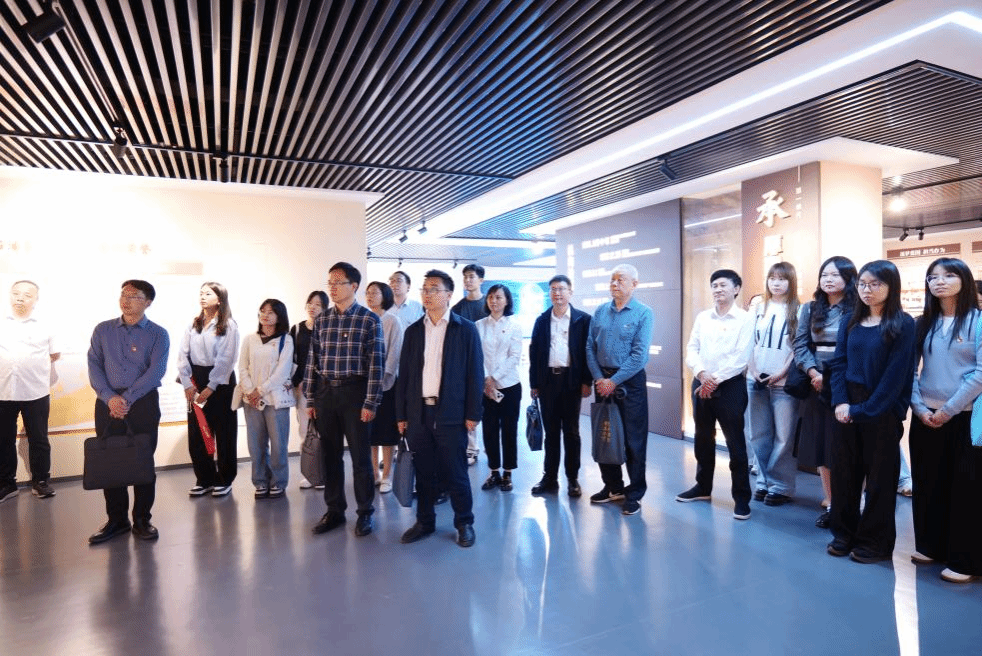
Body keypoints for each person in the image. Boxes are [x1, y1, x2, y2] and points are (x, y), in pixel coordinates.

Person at [827, 260, 916, 564]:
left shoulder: (903, 323)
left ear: (891, 286)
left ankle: (875, 542)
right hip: (847, 405)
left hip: (881, 408)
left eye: (875, 284)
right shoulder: (850, 320)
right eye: (863, 284)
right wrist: (841, 402)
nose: (867, 290)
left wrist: (863, 409)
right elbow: (839, 363)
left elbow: (896, 376)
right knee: (844, 474)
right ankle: (843, 534)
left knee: (880, 479)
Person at [396, 269, 483, 547]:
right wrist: (401, 414)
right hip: (419, 413)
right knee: (424, 472)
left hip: (451, 413)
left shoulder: (465, 329)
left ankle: (464, 522)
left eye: (434, 289)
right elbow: (404, 375)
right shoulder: (413, 331)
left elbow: (475, 374)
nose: (427, 294)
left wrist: (473, 413)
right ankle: (425, 521)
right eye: (424, 289)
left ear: (448, 295)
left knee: (456, 472)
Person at [909, 257, 982, 583]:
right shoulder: (922, 323)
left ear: (964, 280)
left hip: (966, 417)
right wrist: (919, 408)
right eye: (933, 277)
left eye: (948, 275)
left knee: (966, 489)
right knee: (928, 483)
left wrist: (948, 410)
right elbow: (909, 371)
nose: (939, 281)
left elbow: (981, 373)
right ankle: (930, 545)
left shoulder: (978, 321)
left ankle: (964, 560)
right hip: (925, 415)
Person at [86, 280, 170, 543]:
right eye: (124, 294)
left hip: (142, 402)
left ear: (148, 302)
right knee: (111, 460)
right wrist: (110, 398)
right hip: (107, 402)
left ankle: (143, 519)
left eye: (134, 296)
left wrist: (127, 398)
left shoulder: (158, 334)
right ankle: (117, 520)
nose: (126, 299)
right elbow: (94, 365)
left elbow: (156, 371)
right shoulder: (103, 330)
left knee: (142, 459)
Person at [306, 262, 382, 538]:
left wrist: (370, 402)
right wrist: (310, 398)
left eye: (338, 282)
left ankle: (365, 512)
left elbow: (376, 364)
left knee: (361, 458)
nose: (333, 288)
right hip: (326, 393)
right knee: (331, 456)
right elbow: (313, 359)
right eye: (330, 283)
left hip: (355, 393)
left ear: (354, 286)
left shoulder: (368, 320)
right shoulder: (322, 320)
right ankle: (335, 510)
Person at [677, 269, 754, 520]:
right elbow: (692, 348)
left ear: (736, 289)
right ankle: (702, 487)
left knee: (735, 443)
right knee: (702, 438)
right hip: (701, 383)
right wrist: (702, 373)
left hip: (730, 387)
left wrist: (714, 380)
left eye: (723, 285)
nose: (717, 289)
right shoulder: (703, 317)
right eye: (714, 285)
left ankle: (741, 498)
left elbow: (741, 357)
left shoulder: (745, 319)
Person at [793, 256, 857, 529]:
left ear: (848, 278)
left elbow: (857, 348)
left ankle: (851, 502)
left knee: (846, 446)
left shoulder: (858, 307)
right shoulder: (810, 308)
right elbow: (800, 344)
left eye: (835, 275)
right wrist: (813, 373)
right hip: (816, 386)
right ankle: (831, 502)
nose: (828, 280)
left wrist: (831, 378)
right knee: (822, 446)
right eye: (824, 275)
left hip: (847, 386)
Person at [585, 264, 653, 516]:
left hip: (629, 383)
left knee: (634, 440)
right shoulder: (601, 311)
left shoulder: (644, 313)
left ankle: (634, 493)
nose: (614, 284)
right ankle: (613, 486)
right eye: (612, 279)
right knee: (606, 435)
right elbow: (589, 347)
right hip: (602, 381)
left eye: (620, 280)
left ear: (634, 284)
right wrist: (599, 378)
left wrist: (613, 381)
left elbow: (639, 355)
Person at [528, 275, 592, 497]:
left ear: (570, 292)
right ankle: (550, 478)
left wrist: (587, 381)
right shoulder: (542, 320)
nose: (557, 293)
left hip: (571, 381)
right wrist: (534, 383)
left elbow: (588, 353)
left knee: (571, 432)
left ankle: (573, 478)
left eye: (561, 289)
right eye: (553, 289)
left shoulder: (583, 320)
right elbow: (534, 353)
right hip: (548, 382)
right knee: (551, 433)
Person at [747, 262, 801, 506]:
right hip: (755, 380)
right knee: (759, 434)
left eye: (782, 279)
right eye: (772, 278)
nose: (776, 283)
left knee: (784, 437)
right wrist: (753, 370)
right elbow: (747, 342)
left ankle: (781, 486)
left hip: (784, 383)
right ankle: (763, 482)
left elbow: (798, 346)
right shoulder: (758, 308)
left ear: (791, 282)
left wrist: (781, 372)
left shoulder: (799, 309)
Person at [178, 282, 240, 498]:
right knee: (198, 434)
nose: (203, 297)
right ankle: (204, 479)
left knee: (224, 433)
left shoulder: (228, 325)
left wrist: (211, 386)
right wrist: (187, 383)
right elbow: (182, 355)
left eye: (208, 293)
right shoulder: (193, 324)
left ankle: (224, 479)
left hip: (221, 383)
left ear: (220, 299)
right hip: (196, 380)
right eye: (201, 293)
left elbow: (227, 359)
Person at [0, 280, 59, 502]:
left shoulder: (46, 324)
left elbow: (55, 354)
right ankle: (7, 483)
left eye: (27, 294)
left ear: (36, 299)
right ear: (9, 295)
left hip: (35, 391)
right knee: (3, 439)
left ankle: (41, 482)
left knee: (39, 439)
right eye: (16, 293)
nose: (20, 298)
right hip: (3, 391)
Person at [239, 299, 294, 499]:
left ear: (279, 316)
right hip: (251, 400)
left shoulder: (286, 340)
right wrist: (250, 390)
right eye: (262, 311)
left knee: (279, 444)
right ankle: (260, 481)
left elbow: (283, 371)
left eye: (271, 312)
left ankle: (278, 481)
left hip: (275, 400)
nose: (265, 315)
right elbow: (242, 367)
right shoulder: (249, 339)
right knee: (256, 444)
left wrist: (260, 390)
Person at [476, 284, 523, 493]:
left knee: (509, 431)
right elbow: (477, 355)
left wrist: (494, 377)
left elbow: (514, 357)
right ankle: (493, 471)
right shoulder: (478, 325)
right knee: (489, 430)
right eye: (490, 297)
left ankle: (508, 473)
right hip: (486, 388)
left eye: (498, 297)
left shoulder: (514, 325)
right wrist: (487, 378)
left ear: (507, 301)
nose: (494, 301)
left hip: (509, 386)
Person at [365, 281, 405, 493]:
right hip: (365, 385)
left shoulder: (392, 321)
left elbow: (395, 353)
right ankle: (373, 473)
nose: (370, 296)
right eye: (368, 293)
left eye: (375, 293)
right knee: (370, 433)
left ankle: (387, 475)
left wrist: (382, 378)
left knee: (387, 433)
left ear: (385, 296)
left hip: (387, 385)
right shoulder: (364, 318)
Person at [291, 290, 328, 490]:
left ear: (325, 308)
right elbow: (291, 359)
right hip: (302, 388)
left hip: (324, 388)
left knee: (325, 431)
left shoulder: (328, 327)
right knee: (305, 432)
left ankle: (323, 474)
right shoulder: (297, 329)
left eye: (318, 304)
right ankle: (309, 473)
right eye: (310, 303)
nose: (313, 307)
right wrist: (297, 381)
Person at [452, 263, 486, 465]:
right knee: (469, 404)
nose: (468, 280)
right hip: (466, 363)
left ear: (481, 280)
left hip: (489, 363)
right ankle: (471, 448)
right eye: (465, 277)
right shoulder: (458, 308)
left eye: (472, 277)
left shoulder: (489, 304)